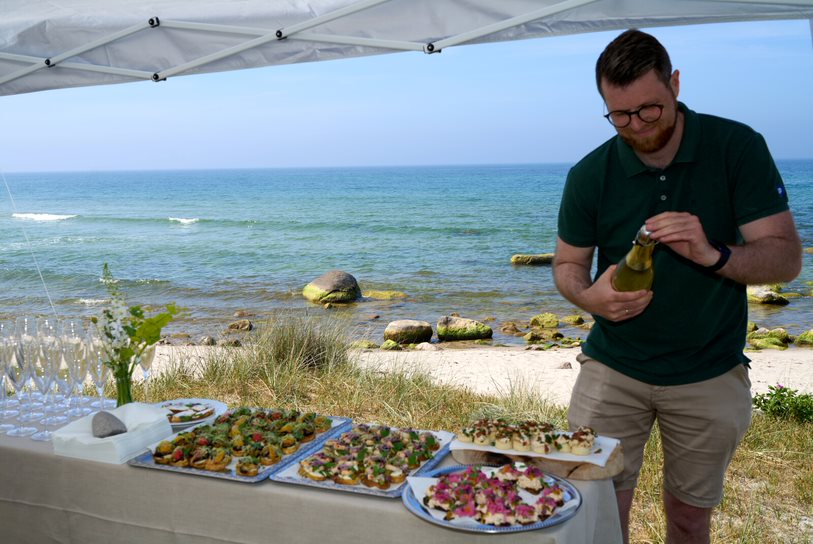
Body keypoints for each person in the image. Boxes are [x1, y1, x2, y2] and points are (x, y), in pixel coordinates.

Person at [553, 29, 802, 544]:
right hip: (613, 369)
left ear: (676, 84)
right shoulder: (590, 173)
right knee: (597, 510)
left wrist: (714, 255)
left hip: (709, 370)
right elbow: (567, 265)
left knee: (690, 519)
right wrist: (588, 296)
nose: (637, 127)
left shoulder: (736, 147)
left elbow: (785, 258)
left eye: (650, 110)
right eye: (619, 115)